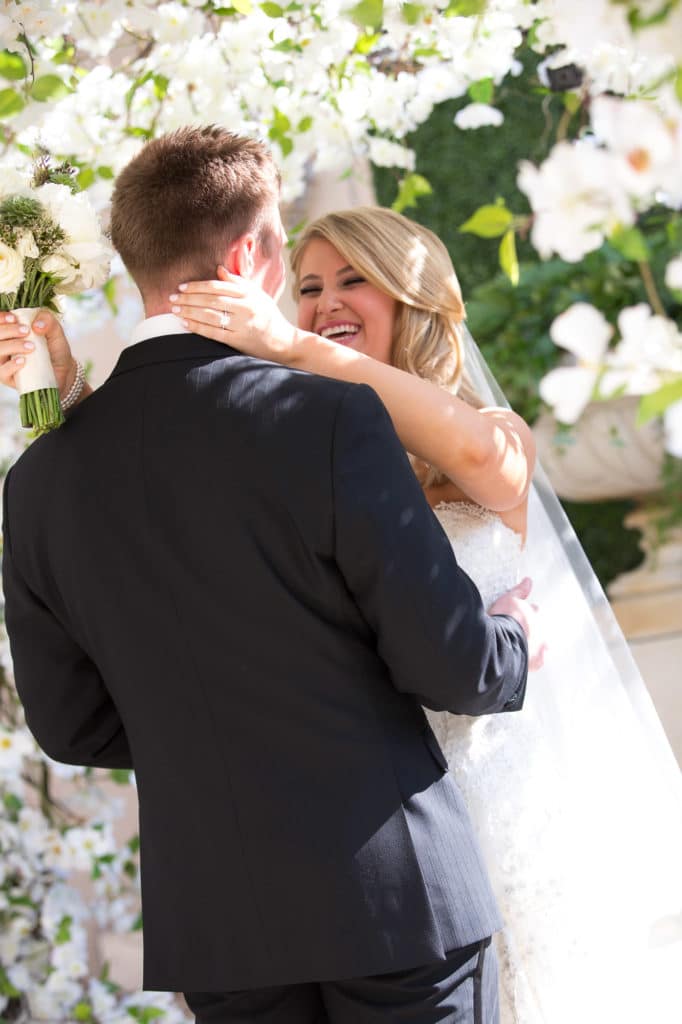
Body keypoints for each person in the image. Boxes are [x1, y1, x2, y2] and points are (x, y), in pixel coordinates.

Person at [0, 127, 540, 1024]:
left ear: (133, 257)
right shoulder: (328, 419)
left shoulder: (39, 480)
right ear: (251, 250)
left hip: (220, 932)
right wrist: (515, 638)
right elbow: (454, 666)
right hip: (396, 904)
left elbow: (70, 724)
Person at [108, 205, 682, 1022]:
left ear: (415, 299)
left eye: (355, 280)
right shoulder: (293, 453)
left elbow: (482, 461)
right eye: (306, 287)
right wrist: (65, 391)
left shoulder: (488, 433)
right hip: (369, 840)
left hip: (492, 799)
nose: (325, 301)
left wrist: (292, 347)